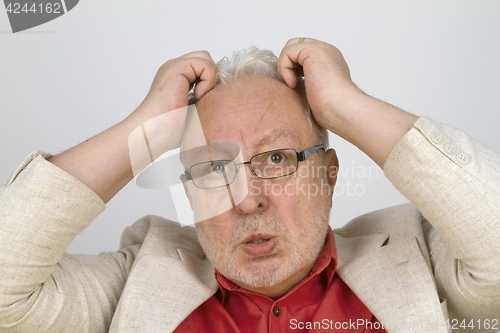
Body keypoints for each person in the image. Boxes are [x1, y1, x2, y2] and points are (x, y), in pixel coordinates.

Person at [0, 37, 499, 333]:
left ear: (328, 174)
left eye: (277, 158)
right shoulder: (135, 282)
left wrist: (345, 104)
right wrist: (146, 128)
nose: (248, 198)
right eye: (214, 169)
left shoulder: (421, 263)